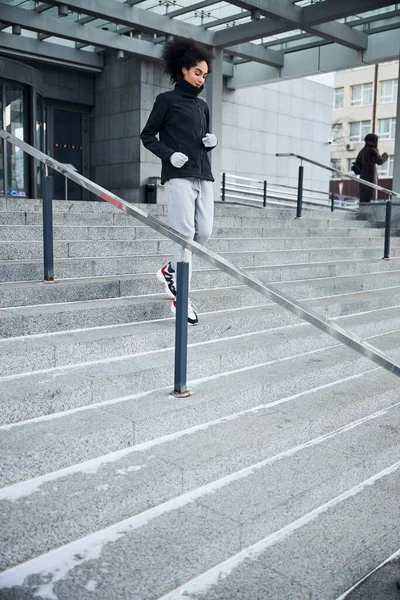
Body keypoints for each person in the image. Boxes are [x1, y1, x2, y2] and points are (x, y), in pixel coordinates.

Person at [140, 36, 217, 325]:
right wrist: (169, 155)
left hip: (203, 175)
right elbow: (147, 135)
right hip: (177, 177)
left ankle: (170, 269)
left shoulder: (203, 106)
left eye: (205, 75)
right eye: (198, 72)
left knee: (204, 233)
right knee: (184, 234)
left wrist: (211, 142)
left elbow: (200, 139)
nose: (201, 79)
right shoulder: (166, 101)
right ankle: (181, 297)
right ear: (184, 69)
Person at [354, 133, 388, 203]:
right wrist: (385, 155)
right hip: (371, 176)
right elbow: (380, 161)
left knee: (364, 197)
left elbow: (357, 165)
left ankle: (363, 212)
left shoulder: (362, 151)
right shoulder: (372, 150)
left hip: (363, 176)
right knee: (369, 198)